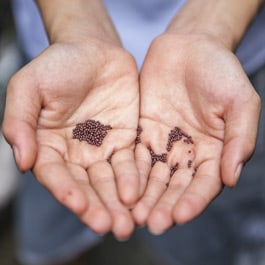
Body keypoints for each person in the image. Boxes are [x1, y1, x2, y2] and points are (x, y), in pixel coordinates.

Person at [2, 0, 265, 264]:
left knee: (202, 237)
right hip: (65, 76)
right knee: (56, 215)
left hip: (214, 80)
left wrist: (210, 27)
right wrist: (74, 23)